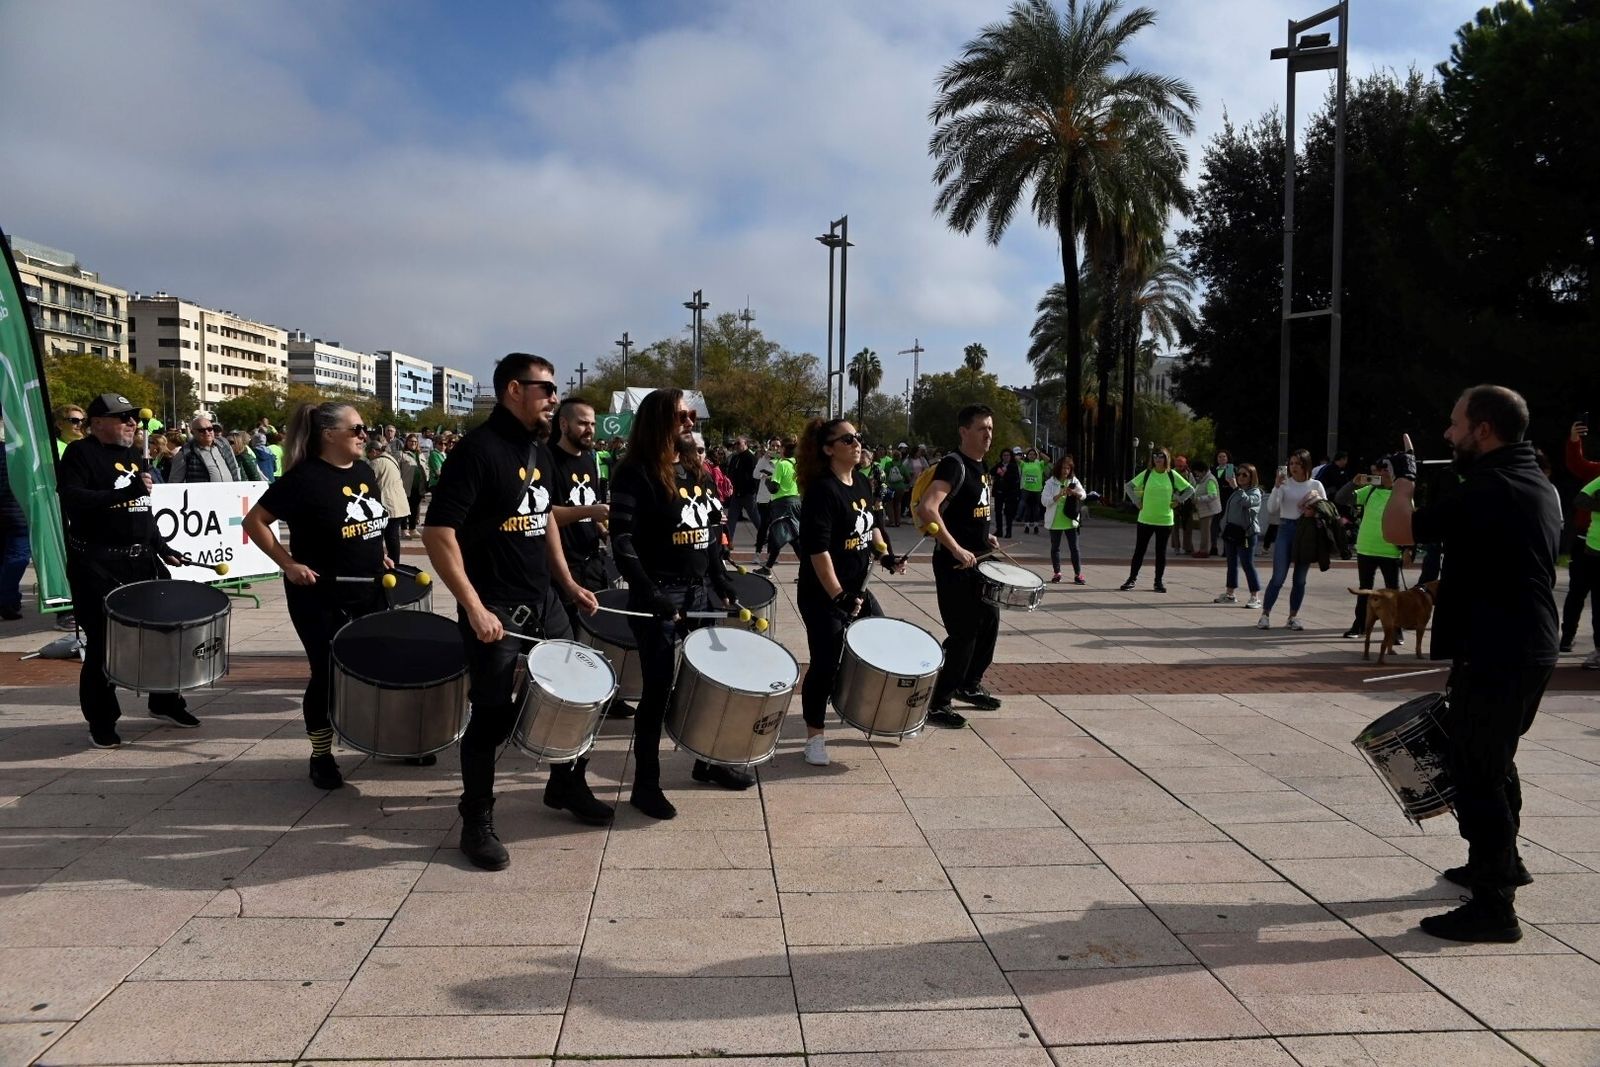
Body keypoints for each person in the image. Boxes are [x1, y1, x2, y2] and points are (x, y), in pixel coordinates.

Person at [1381, 385, 1561, 942]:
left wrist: (1405, 477)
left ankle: (1494, 907)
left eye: (1455, 424)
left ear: (1483, 429)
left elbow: (1398, 532)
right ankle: (1501, 864)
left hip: (1501, 650)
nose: (1448, 433)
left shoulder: (1492, 486)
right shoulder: (1537, 482)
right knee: (1490, 759)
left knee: (1477, 772)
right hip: (1522, 646)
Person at [423, 354, 605, 871]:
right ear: (512, 390)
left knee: (578, 692)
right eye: (545, 388)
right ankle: (476, 819)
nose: (555, 397)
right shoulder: (478, 451)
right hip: (494, 606)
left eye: (555, 389)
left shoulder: (539, 449)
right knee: (493, 717)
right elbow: (437, 534)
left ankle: (565, 785)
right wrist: (474, 607)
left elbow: (542, 516)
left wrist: (566, 582)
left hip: (543, 599)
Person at [609, 389, 748, 818]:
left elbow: (706, 530)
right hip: (659, 592)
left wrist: (720, 577)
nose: (691, 422)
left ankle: (708, 761)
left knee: (711, 680)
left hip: (698, 588)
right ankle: (645, 786)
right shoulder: (634, 472)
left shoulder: (695, 467)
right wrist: (648, 591)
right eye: (682, 416)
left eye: (691, 415)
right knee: (658, 691)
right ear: (659, 421)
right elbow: (622, 539)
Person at [242, 403, 392, 789]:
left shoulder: (363, 470)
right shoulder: (304, 478)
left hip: (370, 589)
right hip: (320, 597)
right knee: (326, 673)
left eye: (365, 429)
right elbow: (254, 521)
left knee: (379, 668)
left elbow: (366, 523)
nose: (364, 434)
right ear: (328, 434)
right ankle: (321, 754)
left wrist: (381, 553)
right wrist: (288, 563)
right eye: (357, 428)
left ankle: (387, 739)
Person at [58, 393, 198, 747]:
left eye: (133, 417)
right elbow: (74, 500)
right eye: (123, 418)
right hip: (98, 565)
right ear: (97, 422)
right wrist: (126, 492)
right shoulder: (80, 454)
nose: (132, 423)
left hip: (142, 562)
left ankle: (165, 701)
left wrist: (162, 547)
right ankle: (102, 720)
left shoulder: (133, 454)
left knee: (165, 635)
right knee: (106, 645)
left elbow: (141, 509)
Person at [795, 417, 899, 766]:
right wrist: (838, 595)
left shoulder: (863, 482)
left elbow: (871, 528)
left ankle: (866, 711)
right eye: (848, 439)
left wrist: (885, 555)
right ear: (828, 449)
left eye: (858, 437)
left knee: (881, 647)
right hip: (823, 595)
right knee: (825, 663)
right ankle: (814, 738)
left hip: (857, 588)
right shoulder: (823, 491)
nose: (857, 443)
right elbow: (817, 551)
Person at [917, 404, 1002, 729]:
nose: (988, 435)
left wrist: (987, 536)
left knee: (989, 624)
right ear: (964, 431)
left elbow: (972, 511)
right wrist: (955, 548)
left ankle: (969, 683)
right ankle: (938, 701)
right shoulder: (954, 465)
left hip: (982, 562)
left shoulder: (982, 466)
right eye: (982, 429)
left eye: (990, 429)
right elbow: (929, 508)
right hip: (956, 566)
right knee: (964, 632)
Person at [548, 396, 612, 630]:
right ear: (564, 425)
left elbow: (591, 505)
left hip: (593, 563)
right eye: (583, 424)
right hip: (563, 568)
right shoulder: (547, 459)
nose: (590, 430)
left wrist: (605, 532)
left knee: (595, 632)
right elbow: (543, 514)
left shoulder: (588, 459)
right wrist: (590, 510)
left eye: (593, 424)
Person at [1256, 450, 1326, 631]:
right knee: (1278, 577)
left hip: (1306, 531)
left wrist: (1314, 512)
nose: (1293, 467)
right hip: (1286, 528)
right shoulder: (1285, 484)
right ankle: (1265, 614)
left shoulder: (1316, 484)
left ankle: (1293, 616)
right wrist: (1276, 487)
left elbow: (1326, 509)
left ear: (1306, 466)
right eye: (1291, 463)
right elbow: (1272, 508)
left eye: (1297, 463)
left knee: (1300, 579)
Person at [1338, 460, 1407, 641]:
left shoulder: (1402, 494)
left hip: (1390, 550)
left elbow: (1408, 521)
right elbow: (1340, 498)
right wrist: (1354, 482)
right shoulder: (1370, 490)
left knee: (1392, 593)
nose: (1383, 473)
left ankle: (1395, 630)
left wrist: (1408, 549)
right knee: (1364, 590)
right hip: (1366, 548)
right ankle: (1359, 626)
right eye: (1381, 470)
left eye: (1387, 470)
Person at [1120, 450, 1192, 593]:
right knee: (1139, 551)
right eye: (1155, 456)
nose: (1158, 459)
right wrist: (1136, 501)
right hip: (1145, 519)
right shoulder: (1147, 474)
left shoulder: (1172, 475)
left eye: (1161, 456)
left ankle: (1158, 582)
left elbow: (1190, 489)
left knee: (1161, 552)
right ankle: (1131, 579)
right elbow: (1128, 486)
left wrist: (1179, 501)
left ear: (1166, 459)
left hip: (1165, 521)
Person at [1562, 419, 1599, 660]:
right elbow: (1576, 464)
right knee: (1576, 592)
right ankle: (1567, 637)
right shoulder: (1597, 472)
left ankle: (1598, 648)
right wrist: (1574, 440)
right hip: (1584, 542)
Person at [1214, 463, 1264, 608]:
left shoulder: (1255, 492)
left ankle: (1255, 596)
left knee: (1247, 564)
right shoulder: (1237, 491)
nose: (1240, 477)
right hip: (1231, 532)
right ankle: (1230, 594)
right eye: (1239, 474)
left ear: (1251, 477)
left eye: (1244, 475)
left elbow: (1247, 503)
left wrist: (1236, 488)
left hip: (1246, 534)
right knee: (1231, 564)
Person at [754, 437, 800, 576]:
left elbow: (774, 488)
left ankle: (808, 570)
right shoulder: (795, 464)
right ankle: (768, 567)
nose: (778, 450)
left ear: (784, 450)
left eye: (780, 448)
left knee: (791, 537)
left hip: (782, 504)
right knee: (782, 536)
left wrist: (768, 480)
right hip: (795, 501)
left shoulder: (781, 464)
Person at [1040, 453, 1085, 585]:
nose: (1065, 471)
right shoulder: (1050, 483)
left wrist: (1074, 493)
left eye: (1068, 468)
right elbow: (1044, 501)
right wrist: (1058, 495)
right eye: (1063, 468)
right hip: (1055, 521)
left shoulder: (1074, 481)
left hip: (1070, 520)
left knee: (1074, 548)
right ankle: (1057, 573)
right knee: (1055, 547)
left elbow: (1083, 495)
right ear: (1058, 468)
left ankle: (1078, 574)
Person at [364, 435, 411, 563]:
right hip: (400, 503)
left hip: (388, 504)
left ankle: (390, 563)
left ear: (373, 451)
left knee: (384, 536)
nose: (369, 458)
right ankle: (395, 562)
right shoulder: (391, 459)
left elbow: (367, 483)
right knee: (393, 536)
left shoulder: (376, 462)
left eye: (369, 455)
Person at [0, 425, 30, 621]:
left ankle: (9, 600)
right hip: (17, 513)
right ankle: (7, 600)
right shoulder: (19, 453)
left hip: (11, 512)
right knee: (16, 559)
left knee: (8, 559)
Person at [168, 416, 240, 482]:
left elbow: (235, 468)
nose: (207, 432)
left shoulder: (224, 444)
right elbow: (175, 482)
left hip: (229, 493)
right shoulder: (185, 453)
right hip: (203, 495)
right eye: (201, 430)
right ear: (193, 432)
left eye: (210, 429)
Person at [724, 436, 760, 547]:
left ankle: (766, 537)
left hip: (748, 494)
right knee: (731, 519)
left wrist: (752, 490)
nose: (736, 446)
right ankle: (729, 541)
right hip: (736, 493)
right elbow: (730, 472)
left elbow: (755, 477)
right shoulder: (735, 458)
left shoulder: (751, 458)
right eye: (735, 444)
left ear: (745, 444)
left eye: (739, 443)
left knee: (755, 518)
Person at [1189, 458, 1221, 558]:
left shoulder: (1210, 480)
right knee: (1203, 531)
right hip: (1204, 510)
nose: (1196, 474)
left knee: (1205, 531)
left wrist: (1198, 499)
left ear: (1203, 471)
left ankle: (1204, 551)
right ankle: (1203, 549)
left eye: (1197, 472)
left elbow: (1213, 495)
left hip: (1208, 510)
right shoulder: (1203, 479)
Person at [396, 433, 426, 538]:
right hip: (406, 487)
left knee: (414, 509)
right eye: (410, 441)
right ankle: (404, 530)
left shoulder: (421, 455)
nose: (413, 443)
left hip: (418, 487)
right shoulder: (401, 454)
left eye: (415, 442)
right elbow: (396, 471)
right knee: (405, 509)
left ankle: (413, 529)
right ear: (406, 442)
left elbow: (425, 470)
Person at [1212, 450, 1237, 556]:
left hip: (1228, 499)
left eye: (1224, 457)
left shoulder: (1232, 469)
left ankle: (1226, 550)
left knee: (1226, 524)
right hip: (1216, 500)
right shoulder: (1213, 470)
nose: (1222, 459)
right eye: (1219, 457)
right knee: (1214, 524)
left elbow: (1235, 485)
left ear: (1227, 458)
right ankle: (1213, 547)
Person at [1018, 447, 1048, 533]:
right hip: (1026, 489)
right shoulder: (1024, 464)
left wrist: (1039, 452)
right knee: (1027, 508)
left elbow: (1047, 459)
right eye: (1030, 454)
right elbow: (1016, 458)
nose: (1032, 456)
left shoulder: (1039, 464)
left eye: (1033, 454)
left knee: (1036, 508)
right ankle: (1026, 526)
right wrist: (1024, 451)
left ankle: (1036, 526)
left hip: (1037, 489)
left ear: (1036, 456)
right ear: (1027, 456)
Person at [992, 448, 1020, 539]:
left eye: (1008, 455)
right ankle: (999, 530)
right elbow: (991, 471)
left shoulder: (1013, 466)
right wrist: (998, 472)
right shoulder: (999, 465)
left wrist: (1005, 473)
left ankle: (1008, 531)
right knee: (998, 512)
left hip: (1009, 493)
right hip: (999, 491)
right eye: (1004, 455)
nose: (1006, 457)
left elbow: (1015, 478)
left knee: (1008, 513)